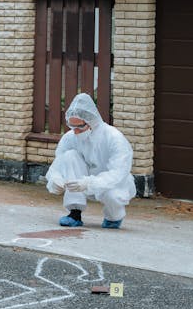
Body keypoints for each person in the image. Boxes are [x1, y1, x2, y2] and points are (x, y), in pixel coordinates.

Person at [45, 92, 136, 229]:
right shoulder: (70, 138)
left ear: (91, 121)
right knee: (69, 156)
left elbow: (118, 173)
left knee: (113, 195)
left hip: (112, 182)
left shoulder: (114, 138)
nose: (75, 132)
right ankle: (74, 213)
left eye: (80, 127)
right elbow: (59, 163)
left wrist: (89, 183)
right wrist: (55, 179)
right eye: (72, 126)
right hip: (81, 182)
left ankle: (113, 217)